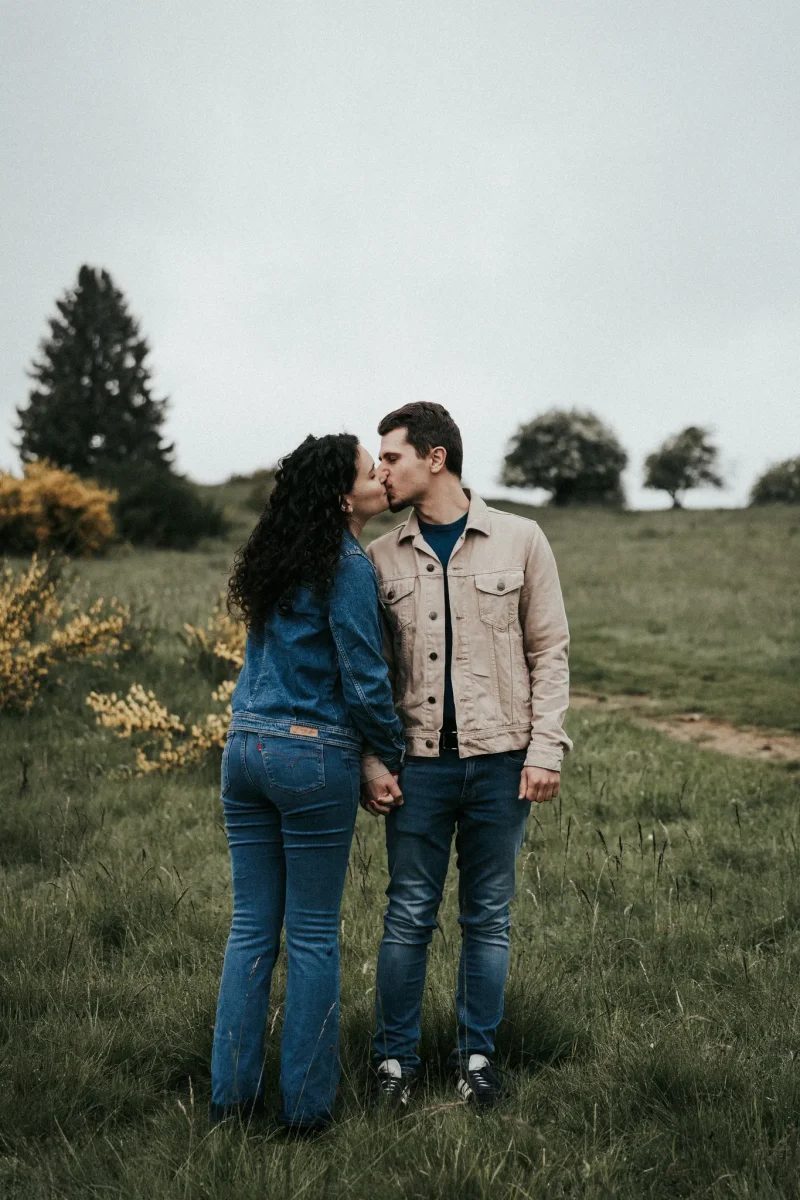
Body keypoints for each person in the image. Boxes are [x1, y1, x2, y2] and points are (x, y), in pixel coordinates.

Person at [361, 402, 572, 1108]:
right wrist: (372, 759)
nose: (380, 469)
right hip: (415, 767)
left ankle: (476, 1059)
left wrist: (546, 750)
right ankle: (394, 1064)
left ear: (436, 458)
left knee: (487, 917)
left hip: (502, 763)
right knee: (408, 914)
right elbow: (368, 673)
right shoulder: (381, 556)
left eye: (391, 456)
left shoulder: (521, 539)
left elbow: (550, 650)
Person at [210, 433, 405, 1133]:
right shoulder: (348, 565)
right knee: (316, 936)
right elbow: (362, 673)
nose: (381, 476)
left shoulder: (278, 557)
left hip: (245, 749)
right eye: (368, 470)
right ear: (340, 496)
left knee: (251, 931)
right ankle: (306, 1113)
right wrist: (389, 752)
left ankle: (230, 1104)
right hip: (308, 756)